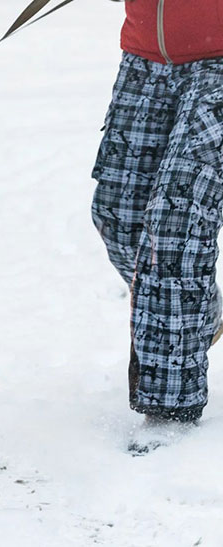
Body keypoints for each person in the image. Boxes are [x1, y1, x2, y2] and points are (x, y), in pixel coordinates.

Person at [91, 0, 223, 431]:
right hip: (145, 62)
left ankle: (170, 414)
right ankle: (197, 310)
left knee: (173, 228)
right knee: (118, 217)